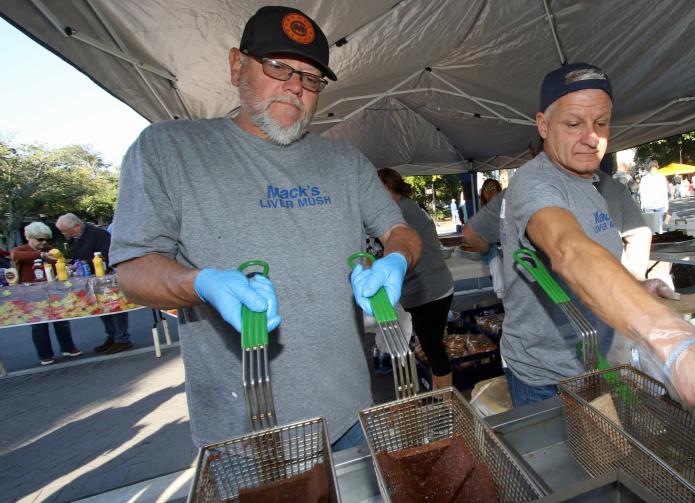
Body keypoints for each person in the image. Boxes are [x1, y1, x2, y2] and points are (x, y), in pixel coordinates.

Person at [109, 6, 421, 450]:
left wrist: (396, 259)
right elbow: (132, 269)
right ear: (238, 65)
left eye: (311, 78)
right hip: (244, 436)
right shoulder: (168, 148)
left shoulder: (345, 160)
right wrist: (198, 284)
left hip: (351, 414)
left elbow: (399, 230)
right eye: (278, 66)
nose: (295, 86)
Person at [500, 63, 695, 459]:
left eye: (602, 123)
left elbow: (595, 264)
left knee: (611, 465)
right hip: (549, 377)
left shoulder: (592, 185)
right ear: (543, 124)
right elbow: (568, 251)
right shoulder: (534, 182)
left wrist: (635, 288)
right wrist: (677, 346)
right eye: (573, 124)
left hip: (599, 365)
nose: (591, 138)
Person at [377, 168, 455, 389]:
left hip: (429, 291)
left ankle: (445, 405)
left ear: (385, 188)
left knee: (433, 350)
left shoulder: (399, 212)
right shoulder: (409, 206)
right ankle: (440, 398)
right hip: (436, 287)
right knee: (432, 346)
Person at [56, 213, 133, 354]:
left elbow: (108, 255)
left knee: (115, 308)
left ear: (77, 226)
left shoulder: (98, 234)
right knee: (102, 309)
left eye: (66, 231)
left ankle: (122, 338)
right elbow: (77, 257)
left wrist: (85, 264)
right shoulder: (77, 237)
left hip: (106, 277)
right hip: (92, 279)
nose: (64, 234)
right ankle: (113, 335)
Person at [11, 222, 82, 366]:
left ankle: (68, 347)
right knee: (39, 325)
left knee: (61, 320)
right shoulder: (21, 250)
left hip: (52, 291)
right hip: (31, 293)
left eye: (46, 240)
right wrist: (41, 254)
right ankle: (45, 355)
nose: (43, 243)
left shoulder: (50, 250)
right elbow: (16, 255)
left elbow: (58, 261)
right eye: (40, 240)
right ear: (30, 238)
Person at [638, 161, 669, 232]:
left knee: (655, 226)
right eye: (653, 168)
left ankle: (656, 238)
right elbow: (642, 193)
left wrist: (642, 205)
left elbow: (665, 192)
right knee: (655, 225)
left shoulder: (646, 179)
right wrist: (643, 205)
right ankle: (657, 238)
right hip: (654, 205)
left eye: (654, 168)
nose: (654, 170)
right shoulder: (660, 177)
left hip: (655, 204)